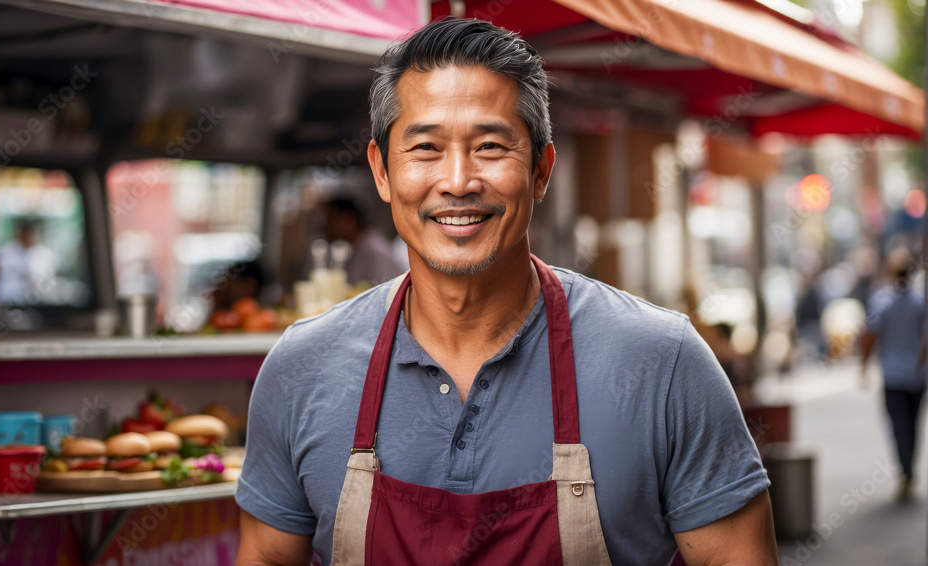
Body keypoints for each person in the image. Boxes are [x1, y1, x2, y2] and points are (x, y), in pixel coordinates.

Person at [235, 18, 776, 566]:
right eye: (425, 147)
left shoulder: (663, 363)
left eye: (490, 146)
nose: (458, 181)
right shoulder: (301, 368)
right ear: (381, 171)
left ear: (541, 169)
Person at [860, 249, 926, 501]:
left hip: (894, 375)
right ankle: (908, 470)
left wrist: (864, 365)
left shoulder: (882, 300)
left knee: (900, 425)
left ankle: (906, 471)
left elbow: (870, 335)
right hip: (916, 375)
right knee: (912, 424)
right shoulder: (919, 300)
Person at [321, 195, 405, 285]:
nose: (324, 225)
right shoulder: (360, 247)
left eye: (329, 218)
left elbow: (388, 293)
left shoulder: (376, 252)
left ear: (348, 219)